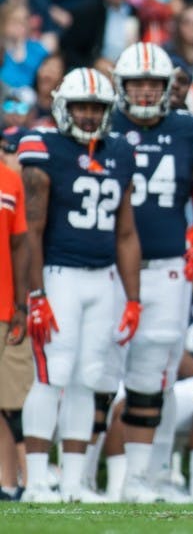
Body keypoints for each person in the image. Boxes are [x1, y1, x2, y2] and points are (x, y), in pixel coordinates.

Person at [101, 42, 193, 502]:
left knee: (156, 373)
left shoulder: (191, 132)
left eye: (155, 83)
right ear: (122, 86)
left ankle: (144, 478)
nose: (147, 92)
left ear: (169, 86)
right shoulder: (101, 123)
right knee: (97, 373)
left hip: (169, 267)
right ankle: (86, 478)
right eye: (139, 83)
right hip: (107, 267)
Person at [18, 67, 142, 502]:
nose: (89, 115)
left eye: (97, 108)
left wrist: (133, 299)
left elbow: (126, 232)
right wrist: (34, 294)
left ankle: (72, 482)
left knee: (89, 377)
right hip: (58, 274)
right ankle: (35, 480)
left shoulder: (120, 153)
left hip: (103, 278)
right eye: (82, 106)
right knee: (53, 372)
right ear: (61, 107)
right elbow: (31, 229)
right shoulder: (44, 147)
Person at [0, 149, 28, 502]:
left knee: (9, 400)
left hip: (5, 305)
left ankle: (10, 482)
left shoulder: (10, 179)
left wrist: (23, 302)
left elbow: (21, 243)